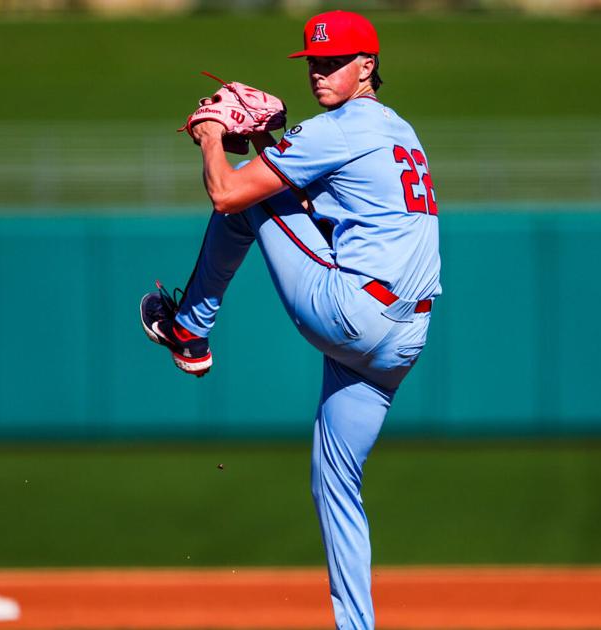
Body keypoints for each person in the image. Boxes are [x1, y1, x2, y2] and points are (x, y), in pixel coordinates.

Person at [140, 10, 441, 630]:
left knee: (242, 208)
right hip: (400, 344)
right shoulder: (397, 130)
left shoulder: (339, 128)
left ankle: (190, 329)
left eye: (334, 62)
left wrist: (211, 136)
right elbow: (314, 206)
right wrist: (270, 144)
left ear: (369, 67)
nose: (320, 72)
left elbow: (229, 194)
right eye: (314, 62)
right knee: (335, 483)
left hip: (352, 312)